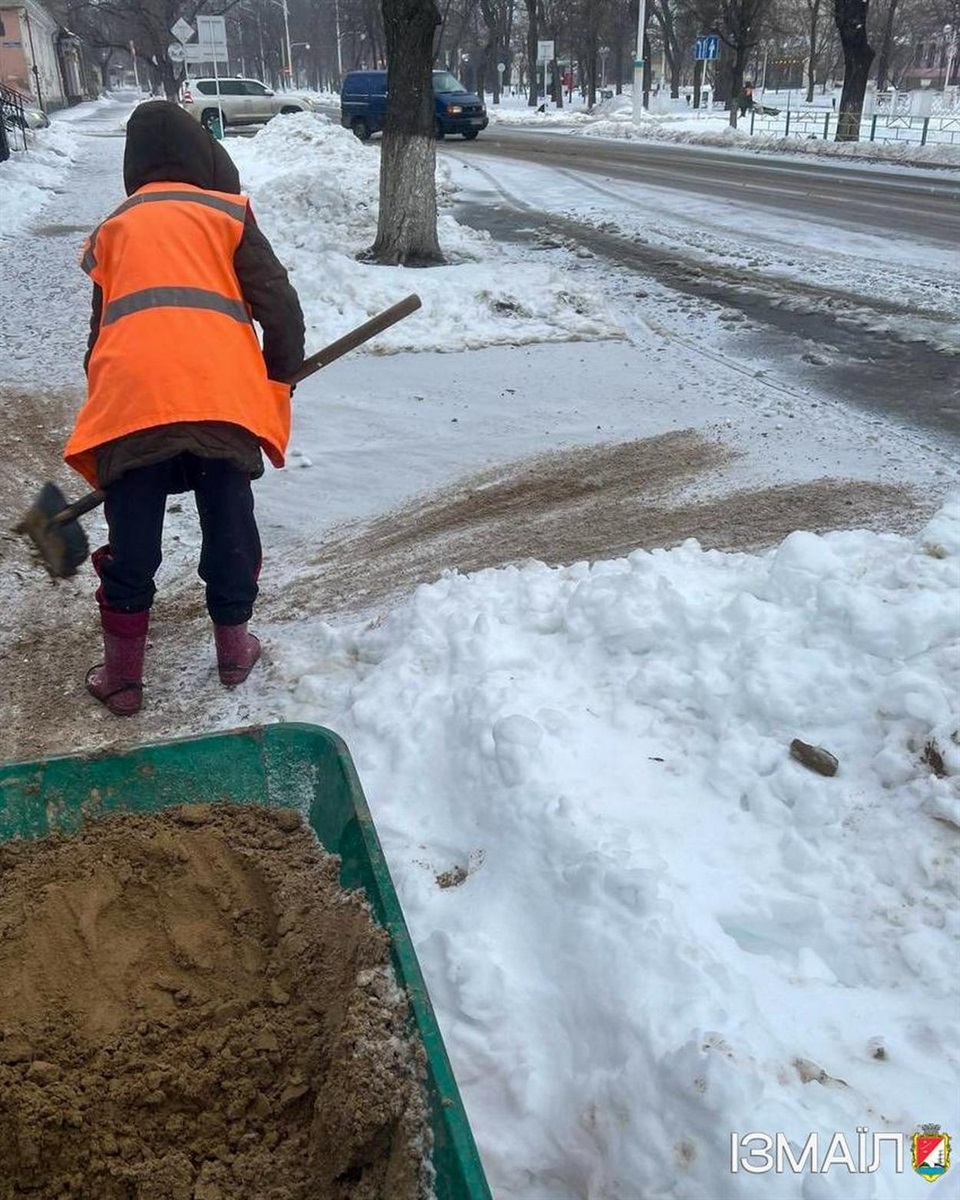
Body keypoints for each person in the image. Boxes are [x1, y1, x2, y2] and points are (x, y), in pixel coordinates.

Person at [64, 100, 305, 716]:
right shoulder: (228, 213)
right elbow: (278, 306)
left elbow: (100, 337)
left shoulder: (113, 228)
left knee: (133, 539)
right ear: (203, 155)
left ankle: (122, 681)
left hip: (133, 400)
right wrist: (277, 381)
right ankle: (233, 652)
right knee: (229, 523)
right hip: (220, 396)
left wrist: (115, 405)